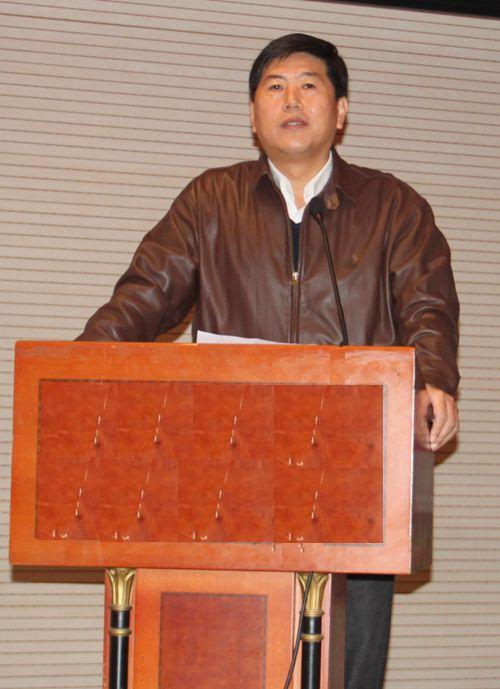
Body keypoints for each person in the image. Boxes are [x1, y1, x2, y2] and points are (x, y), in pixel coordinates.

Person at [78, 33, 459, 689]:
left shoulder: (393, 207)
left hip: (359, 474)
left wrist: (432, 379)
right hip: (228, 472)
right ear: (253, 114)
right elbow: (142, 298)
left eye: (310, 85)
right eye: (275, 87)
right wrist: (77, 374)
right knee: (229, 659)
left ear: (340, 110)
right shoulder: (210, 201)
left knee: (347, 669)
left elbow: (427, 304)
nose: (292, 100)